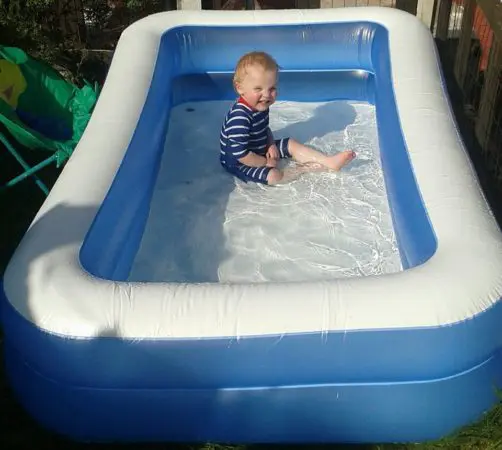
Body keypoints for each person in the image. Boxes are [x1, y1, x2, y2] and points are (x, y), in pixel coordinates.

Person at [219, 51, 355, 185]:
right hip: (238, 162)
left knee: (291, 144)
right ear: (240, 88)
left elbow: (263, 129)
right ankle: (303, 169)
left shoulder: (260, 105)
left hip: (258, 147)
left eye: (272, 88)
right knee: (274, 176)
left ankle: (328, 162)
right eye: (258, 89)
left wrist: (270, 144)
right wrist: (265, 162)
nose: (266, 95)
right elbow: (241, 155)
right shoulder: (239, 118)